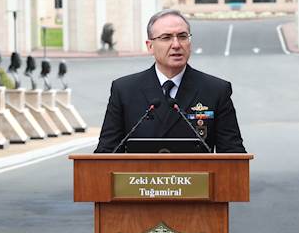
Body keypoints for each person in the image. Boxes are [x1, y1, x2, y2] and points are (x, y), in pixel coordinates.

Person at [95, 9, 245, 153]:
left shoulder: (216, 90)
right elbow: (106, 152)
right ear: (150, 46)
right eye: (166, 38)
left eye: (182, 36)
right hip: (141, 179)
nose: (176, 45)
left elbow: (233, 155)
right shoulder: (124, 90)